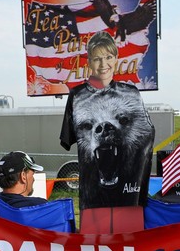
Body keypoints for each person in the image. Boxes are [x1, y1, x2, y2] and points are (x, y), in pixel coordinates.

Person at [60, 31, 155, 231]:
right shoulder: (77, 96)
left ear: (116, 59)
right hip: (93, 200)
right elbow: (69, 139)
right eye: (97, 58)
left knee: (130, 249)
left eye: (108, 57)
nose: (103, 64)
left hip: (131, 197)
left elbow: (147, 135)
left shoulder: (132, 93)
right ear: (88, 62)